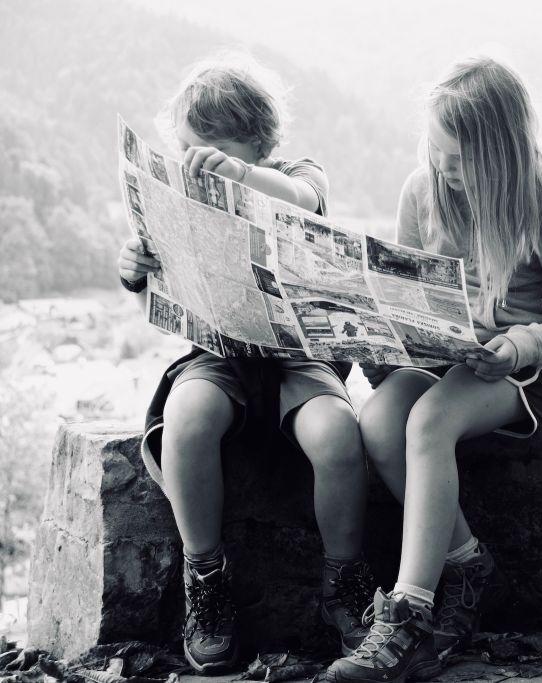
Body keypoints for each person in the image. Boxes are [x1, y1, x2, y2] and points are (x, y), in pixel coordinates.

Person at [320, 57, 542, 683]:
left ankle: (407, 616)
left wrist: (515, 348)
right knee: (381, 421)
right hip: (441, 359)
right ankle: (467, 564)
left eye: (463, 157)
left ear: (502, 151)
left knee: (430, 420)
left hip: (515, 373)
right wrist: (375, 331)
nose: (446, 166)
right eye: (438, 149)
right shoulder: (423, 189)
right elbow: (405, 292)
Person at [116, 56, 372, 673]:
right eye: (188, 148)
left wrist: (240, 176)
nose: (200, 160)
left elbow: (303, 198)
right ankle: (205, 576)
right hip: (221, 354)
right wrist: (134, 266)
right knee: (186, 419)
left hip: (298, 357)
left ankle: (344, 581)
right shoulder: (180, 189)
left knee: (337, 437)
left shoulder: (294, 172)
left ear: (259, 138)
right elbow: (155, 265)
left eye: (218, 147)